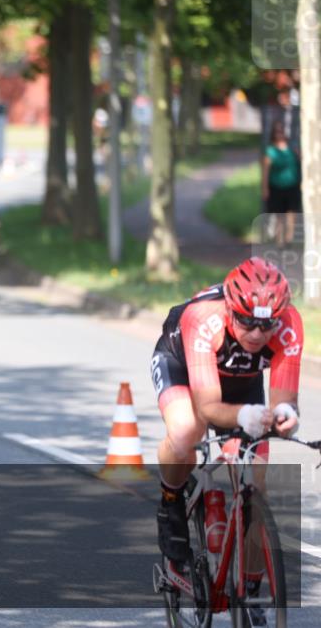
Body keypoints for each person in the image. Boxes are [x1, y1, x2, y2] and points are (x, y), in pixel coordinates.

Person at [152, 258, 301, 614]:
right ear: (231, 310)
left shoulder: (290, 325)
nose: (257, 333)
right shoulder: (204, 319)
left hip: (241, 382)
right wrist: (243, 416)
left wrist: (285, 416)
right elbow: (207, 408)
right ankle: (171, 500)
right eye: (248, 322)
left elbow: (284, 399)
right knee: (188, 430)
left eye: (266, 325)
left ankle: (252, 595)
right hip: (184, 367)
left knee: (256, 486)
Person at [262, 120, 301, 246]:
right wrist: (265, 188)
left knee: (292, 213)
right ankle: (280, 239)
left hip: (292, 185)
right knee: (279, 214)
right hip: (276, 187)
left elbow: (301, 164)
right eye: (278, 132)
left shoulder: (292, 148)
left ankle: (289, 238)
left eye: (282, 131)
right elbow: (266, 171)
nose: (280, 134)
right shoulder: (270, 151)